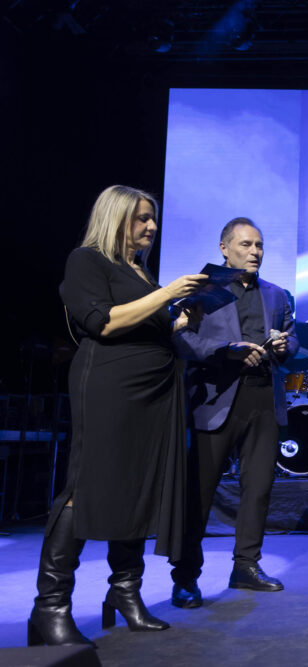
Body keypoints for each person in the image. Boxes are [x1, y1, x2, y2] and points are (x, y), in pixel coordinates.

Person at [29, 185, 207, 646]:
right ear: (116, 218)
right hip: (110, 387)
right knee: (86, 487)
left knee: (137, 488)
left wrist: (179, 321)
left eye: (153, 218)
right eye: (141, 218)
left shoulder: (140, 271)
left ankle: (125, 591)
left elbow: (145, 323)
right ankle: (50, 607)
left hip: (154, 391)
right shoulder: (86, 260)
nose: (151, 226)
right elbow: (103, 322)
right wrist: (167, 293)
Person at [169, 217, 298, 607]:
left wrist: (284, 347)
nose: (255, 252)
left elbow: (292, 339)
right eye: (246, 245)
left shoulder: (277, 294)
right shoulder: (204, 290)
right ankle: (186, 577)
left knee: (258, 490)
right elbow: (182, 338)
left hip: (263, 400)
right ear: (224, 248)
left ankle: (246, 566)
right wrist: (226, 351)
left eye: (259, 245)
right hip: (217, 398)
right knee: (199, 493)